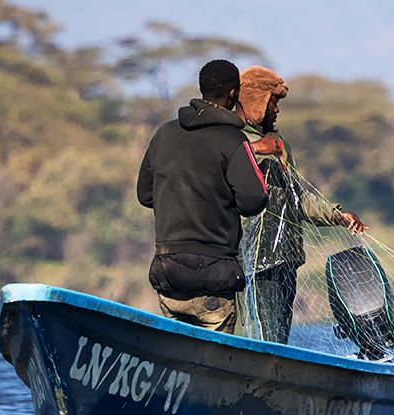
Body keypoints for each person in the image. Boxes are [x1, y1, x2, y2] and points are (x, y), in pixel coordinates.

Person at [236, 65, 368, 343]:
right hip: (257, 262)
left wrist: (338, 215)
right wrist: (258, 150)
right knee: (265, 338)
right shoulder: (236, 141)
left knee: (279, 338)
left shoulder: (279, 145)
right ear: (257, 102)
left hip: (287, 257)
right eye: (274, 103)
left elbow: (298, 198)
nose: (277, 110)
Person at [136, 59, 268, 334]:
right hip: (215, 276)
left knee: (177, 354)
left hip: (168, 270)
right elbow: (254, 201)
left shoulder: (164, 134)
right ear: (232, 94)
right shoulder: (234, 141)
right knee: (214, 358)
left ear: (202, 89)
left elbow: (145, 194)